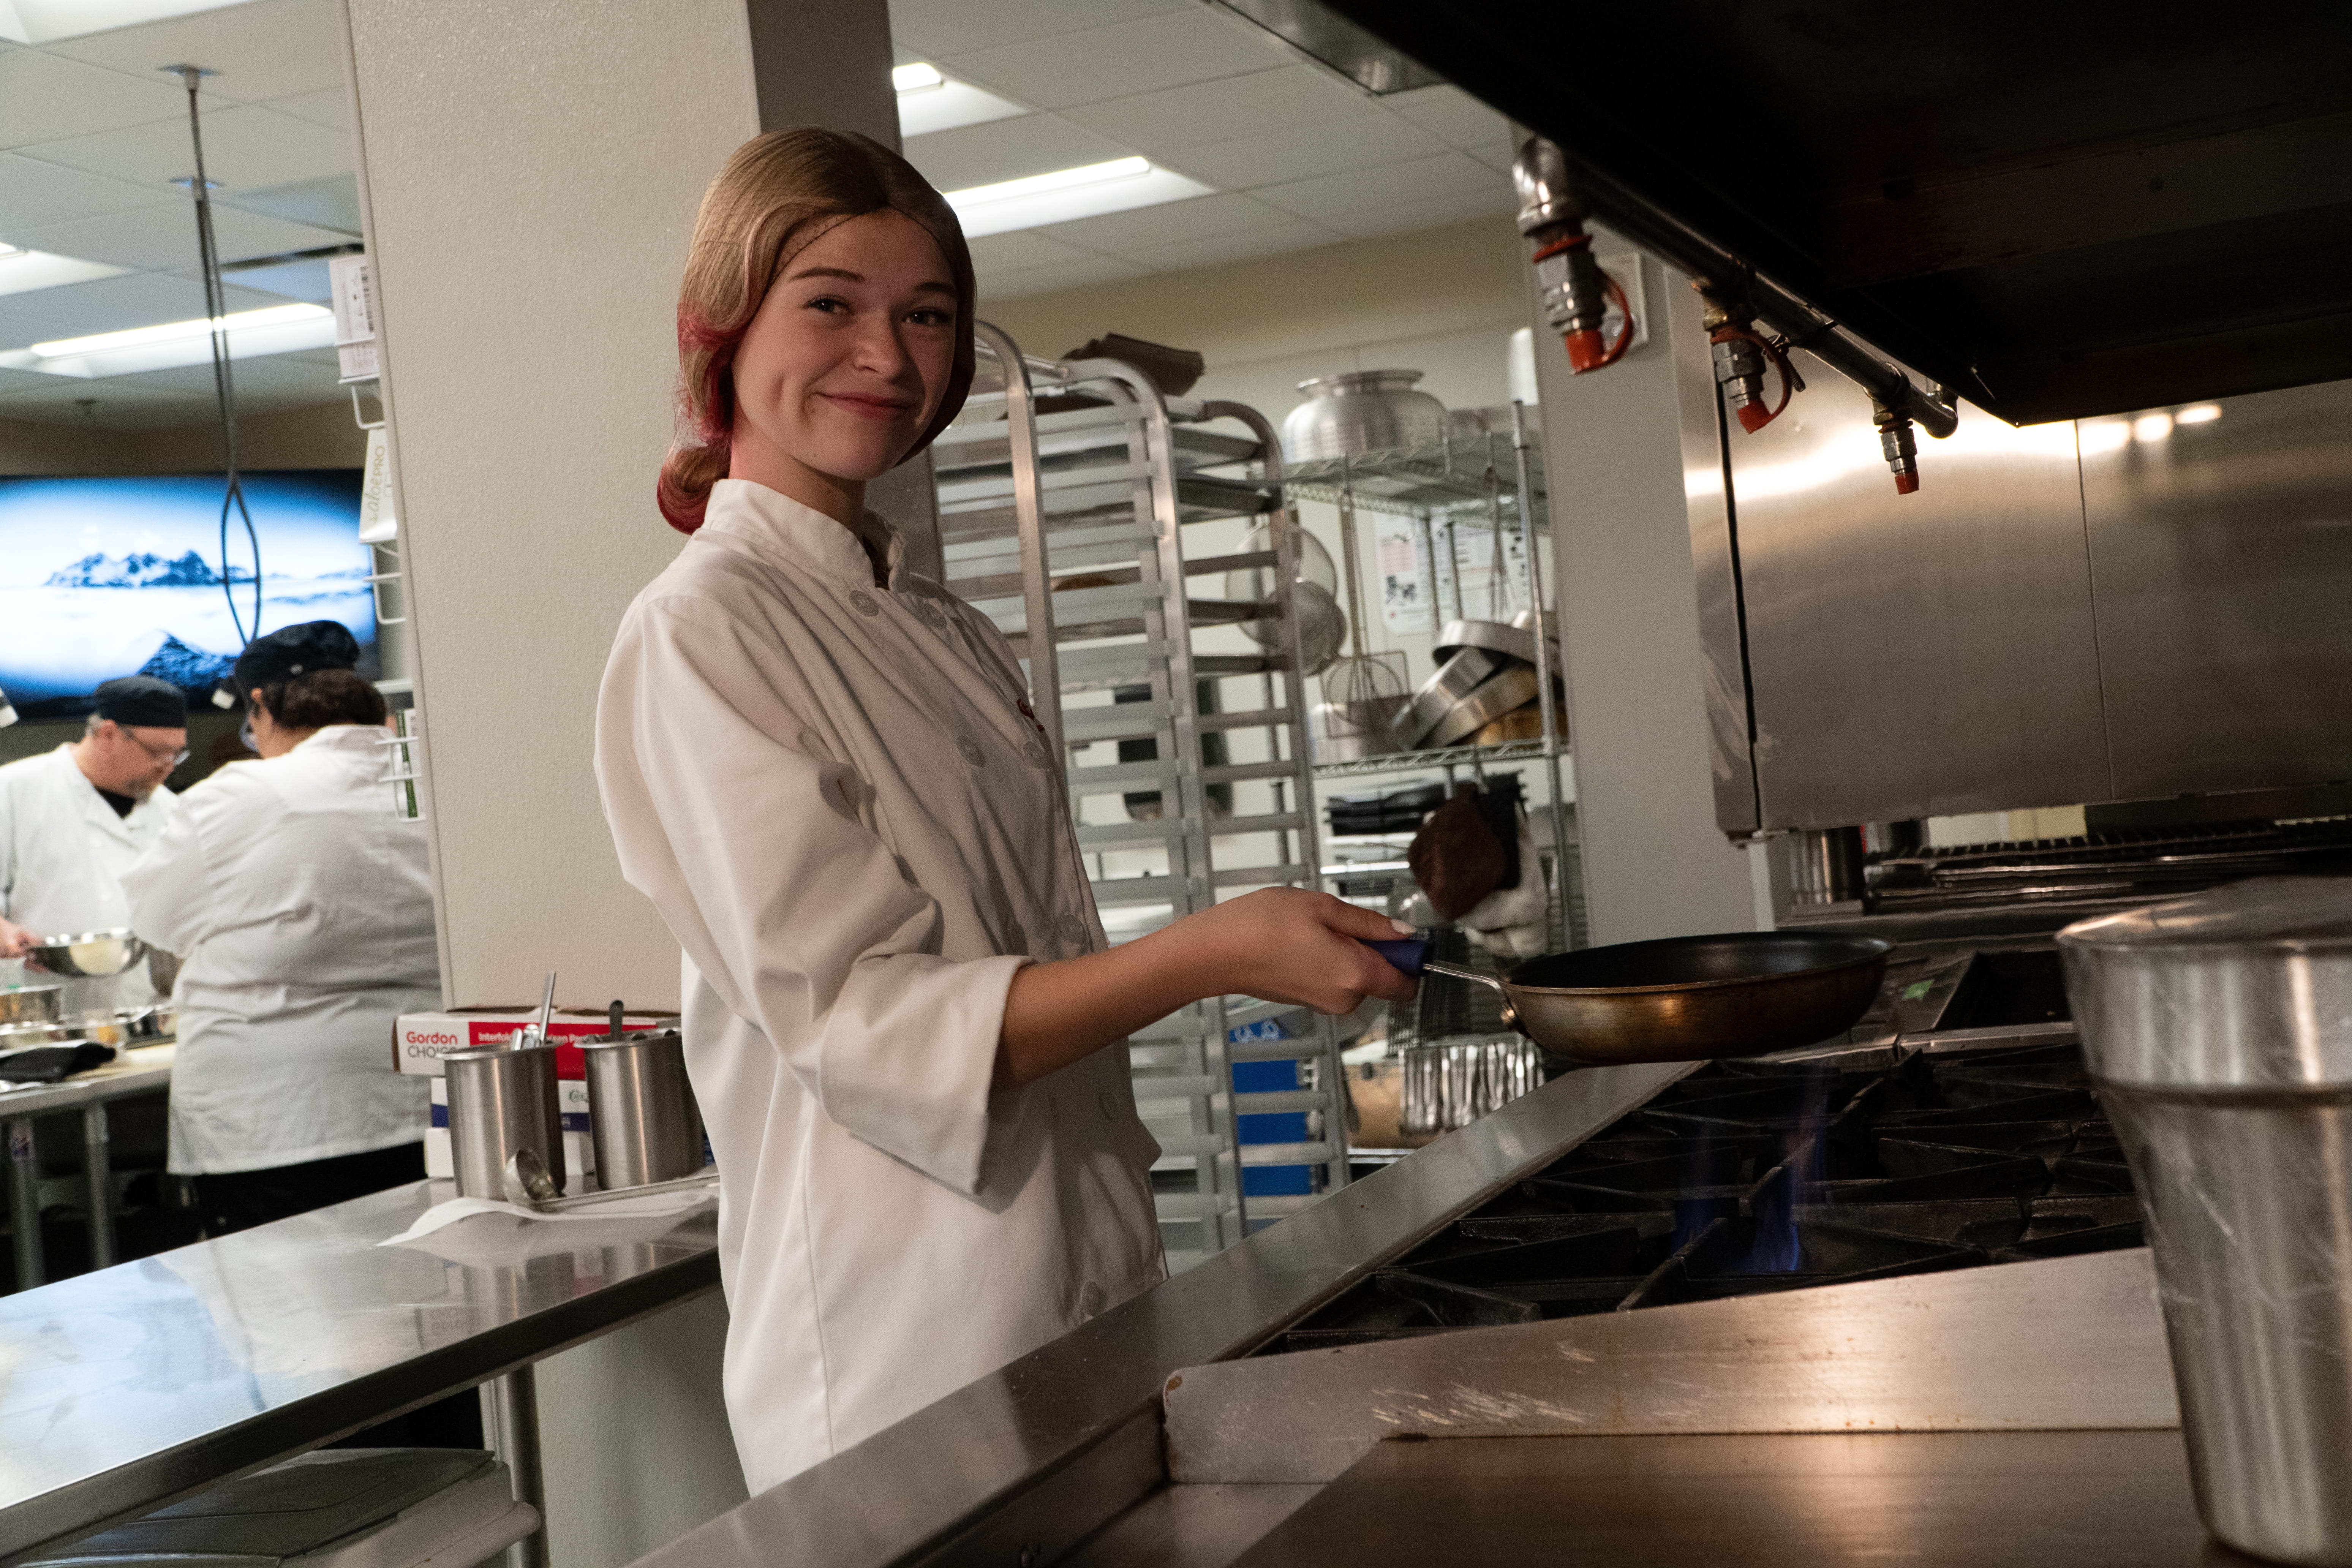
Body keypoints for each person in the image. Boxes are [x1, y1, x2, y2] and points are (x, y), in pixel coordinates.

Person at [594, 128, 1417, 1494]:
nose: (887, 354)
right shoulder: (700, 632)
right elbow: (875, 1024)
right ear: (720, 333)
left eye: (926, 315)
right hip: (897, 1351)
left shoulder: (937, 630)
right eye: (830, 304)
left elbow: (1014, 959)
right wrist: (1213, 951)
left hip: (1076, 1298)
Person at [121, 621, 438, 1236]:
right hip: (428, 1100)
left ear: (260, 704)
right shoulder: (429, 784)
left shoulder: (241, 793)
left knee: (285, 1314)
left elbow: (155, 920)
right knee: (431, 1296)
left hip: (278, 1120)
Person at [0, 675, 188, 1014]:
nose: (168, 767)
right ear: (109, 735)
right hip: (42, 1005)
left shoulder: (172, 810)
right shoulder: (15, 789)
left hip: (145, 1005)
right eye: (158, 752)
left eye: (177, 754)